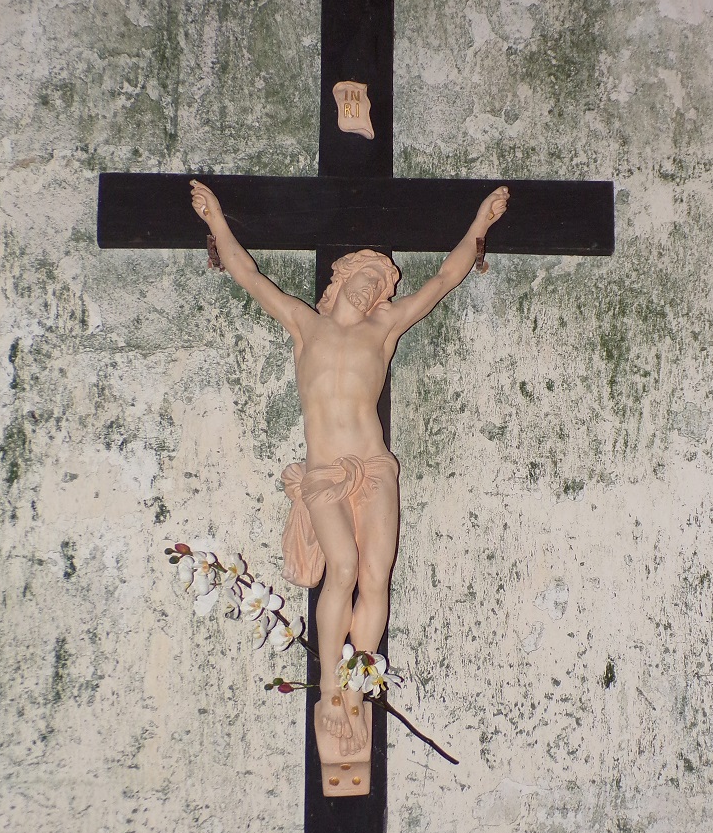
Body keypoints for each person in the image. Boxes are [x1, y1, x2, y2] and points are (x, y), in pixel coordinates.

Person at [191, 180, 509, 756]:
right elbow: (248, 276)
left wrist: (480, 225)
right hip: (324, 472)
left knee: (376, 576)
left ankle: (354, 690)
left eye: (379, 288)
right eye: (365, 281)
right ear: (339, 280)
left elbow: (441, 280)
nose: (370, 293)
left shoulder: (383, 331)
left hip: (374, 467)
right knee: (341, 569)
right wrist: (215, 220)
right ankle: (329, 690)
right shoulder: (303, 326)